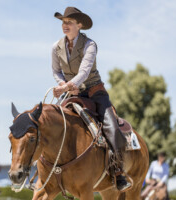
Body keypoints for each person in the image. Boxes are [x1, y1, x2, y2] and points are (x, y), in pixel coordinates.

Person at [51, 7, 131, 191]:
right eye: (63, 22)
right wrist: (62, 84)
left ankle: (118, 170)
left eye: (69, 22)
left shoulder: (90, 45)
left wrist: (65, 86)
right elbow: (56, 71)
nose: (65, 25)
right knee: (54, 121)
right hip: (73, 94)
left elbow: (84, 72)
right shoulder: (55, 47)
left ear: (79, 25)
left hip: (95, 91)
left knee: (110, 125)